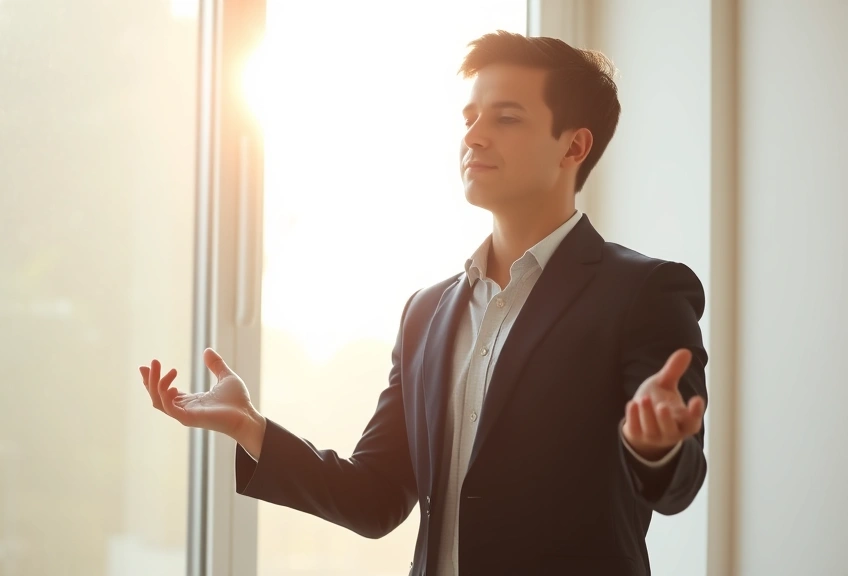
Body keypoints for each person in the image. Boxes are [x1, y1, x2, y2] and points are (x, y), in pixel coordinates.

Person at [140, 30, 708, 576]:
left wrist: (654, 448)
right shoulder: (426, 313)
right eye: (470, 118)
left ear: (574, 145)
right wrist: (250, 426)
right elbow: (375, 497)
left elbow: (679, 485)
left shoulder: (642, 294)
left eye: (505, 117)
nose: (475, 135)